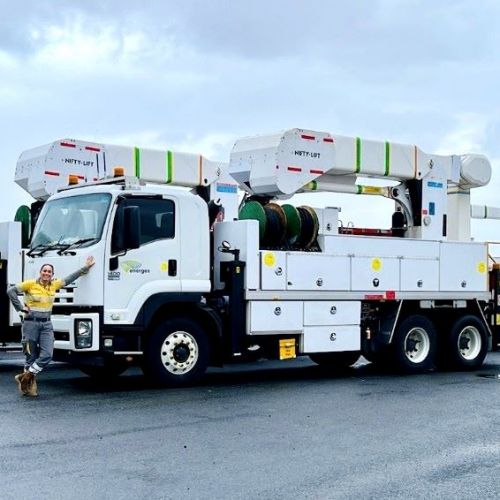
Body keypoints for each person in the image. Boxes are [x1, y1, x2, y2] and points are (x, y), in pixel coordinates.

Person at [6, 256, 95, 397]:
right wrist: (21, 309)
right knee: (30, 355)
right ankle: (29, 386)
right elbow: (10, 291)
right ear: (40, 272)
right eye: (44, 271)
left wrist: (85, 268)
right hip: (30, 323)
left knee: (47, 354)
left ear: (52, 275)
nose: (46, 273)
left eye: (49, 272)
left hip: (46, 324)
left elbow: (70, 278)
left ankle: (25, 376)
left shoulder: (54, 285)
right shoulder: (30, 284)